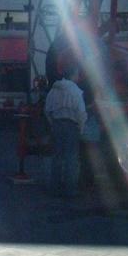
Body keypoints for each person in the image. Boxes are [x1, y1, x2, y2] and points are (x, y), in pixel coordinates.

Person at [44, 64, 87, 198]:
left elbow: (47, 109)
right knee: (71, 159)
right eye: (78, 75)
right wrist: (81, 127)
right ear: (73, 75)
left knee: (56, 157)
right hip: (71, 126)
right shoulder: (76, 91)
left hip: (56, 124)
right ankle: (70, 190)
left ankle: (54, 188)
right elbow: (81, 112)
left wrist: (52, 123)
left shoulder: (54, 90)